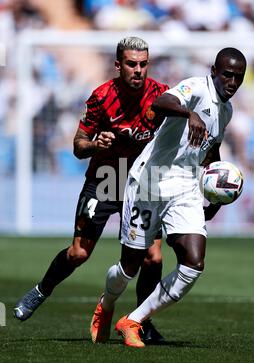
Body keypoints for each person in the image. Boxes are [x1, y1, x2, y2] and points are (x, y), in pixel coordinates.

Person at [14, 36, 169, 344]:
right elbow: (77, 146)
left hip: (142, 181)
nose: (138, 70)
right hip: (106, 177)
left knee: (153, 258)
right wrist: (95, 144)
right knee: (79, 252)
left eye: (142, 64)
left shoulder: (161, 95)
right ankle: (40, 291)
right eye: (131, 64)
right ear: (118, 65)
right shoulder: (102, 97)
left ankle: (141, 322)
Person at [93, 47, 247, 347]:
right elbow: (161, 101)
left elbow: (210, 151)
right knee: (129, 267)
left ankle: (133, 321)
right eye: (227, 74)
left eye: (238, 77)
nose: (232, 81)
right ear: (214, 70)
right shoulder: (196, 88)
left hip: (186, 188)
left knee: (193, 263)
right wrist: (189, 113)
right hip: (149, 182)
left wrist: (214, 196)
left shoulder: (226, 111)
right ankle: (107, 304)